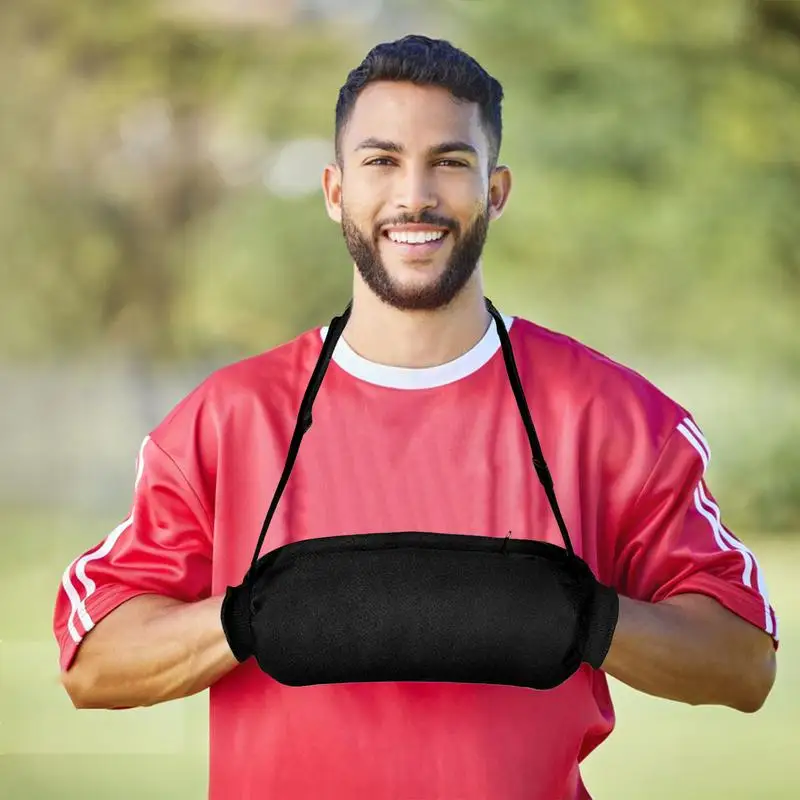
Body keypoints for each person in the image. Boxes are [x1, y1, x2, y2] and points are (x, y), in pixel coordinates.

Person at [53, 34, 778, 800]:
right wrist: (246, 621)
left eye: (450, 162)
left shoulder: (617, 419)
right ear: (335, 190)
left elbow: (743, 664)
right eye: (382, 161)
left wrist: (587, 619)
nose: (415, 195)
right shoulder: (230, 419)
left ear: (495, 191)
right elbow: (94, 661)